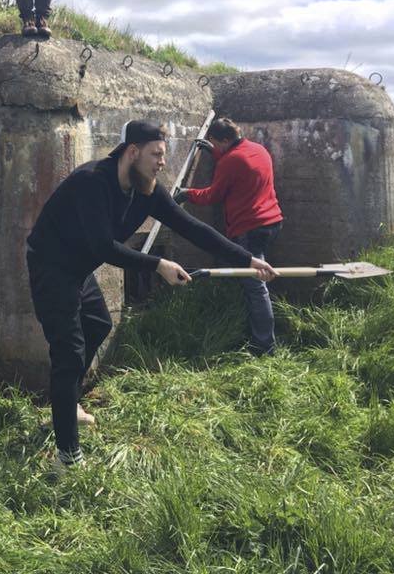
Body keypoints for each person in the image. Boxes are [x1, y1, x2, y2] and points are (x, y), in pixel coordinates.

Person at [26, 120, 277, 470]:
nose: (163, 161)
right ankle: (67, 457)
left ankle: (67, 404)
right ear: (133, 152)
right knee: (69, 352)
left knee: (97, 326)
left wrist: (248, 259)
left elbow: (192, 228)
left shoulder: (147, 191)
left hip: (78, 268)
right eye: (156, 154)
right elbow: (104, 246)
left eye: (164, 154)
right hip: (52, 266)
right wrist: (158, 263)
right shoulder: (92, 182)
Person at [176, 117, 283, 356]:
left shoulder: (230, 161)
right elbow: (236, 167)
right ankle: (262, 333)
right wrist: (214, 154)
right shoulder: (258, 149)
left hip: (250, 228)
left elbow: (213, 195)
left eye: (214, 144)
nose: (213, 148)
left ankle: (265, 347)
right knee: (259, 281)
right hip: (273, 222)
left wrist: (186, 194)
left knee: (256, 287)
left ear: (224, 140)